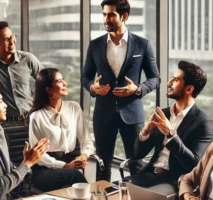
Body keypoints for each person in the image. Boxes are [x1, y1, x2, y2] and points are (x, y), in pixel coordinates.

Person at [81, 0, 160, 181]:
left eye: (111, 15)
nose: (106, 19)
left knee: (136, 165)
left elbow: (156, 78)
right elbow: (85, 77)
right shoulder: (95, 45)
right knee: (103, 166)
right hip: (103, 114)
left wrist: (138, 89)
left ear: (124, 16)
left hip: (132, 115)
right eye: (104, 14)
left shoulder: (142, 45)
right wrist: (92, 88)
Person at [126, 61, 213, 194]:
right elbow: (138, 154)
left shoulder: (204, 123)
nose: (169, 82)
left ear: (189, 89)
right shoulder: (164, 114)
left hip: (174, 181)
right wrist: (145, 132)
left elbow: (193, 164)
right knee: (112, 191)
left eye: (176, 80)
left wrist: (171, 134)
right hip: (147, 174)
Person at [29, 68, 94, 192]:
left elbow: (87, 140)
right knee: (74, 176)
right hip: (45, 169)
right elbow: (38, 156)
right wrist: (64, 166)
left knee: (73, 179)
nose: (65, 84)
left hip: (70, 163)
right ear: (48, 90)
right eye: (59, 81)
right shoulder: (36, 117)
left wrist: (84, 156)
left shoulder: (74, 107)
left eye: (63, 80)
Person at [0, 85, 50, 200]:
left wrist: (26, 161)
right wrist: (27, 163)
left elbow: (6, 173)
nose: (6, 105)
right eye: (0, 102)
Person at [0, 21, 43, 121]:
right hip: (3, 124)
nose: (12, 41)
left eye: (12, 36)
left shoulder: (28, 59)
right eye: (6, 39)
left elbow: (47, 82)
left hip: (31, 120)